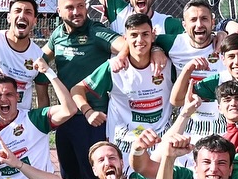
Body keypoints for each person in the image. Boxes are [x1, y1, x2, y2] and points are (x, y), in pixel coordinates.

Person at [43, 0, 123, 179]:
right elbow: (38, 62)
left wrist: (150, 51)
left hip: (93, 119)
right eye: (70, 7)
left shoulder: (96, 32)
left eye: (80, 6)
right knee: (69, 178)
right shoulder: (57, 35)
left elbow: (126, 45)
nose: (77, 11)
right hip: (66, 117)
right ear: (58, 11)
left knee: (94, 177)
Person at [74, 13, 176, 165]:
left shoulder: (167, 63)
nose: (140, 40)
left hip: (160, 140)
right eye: (134, 35)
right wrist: (88, 111)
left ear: (153, 35)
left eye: (145, 34)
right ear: (125, 38)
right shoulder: (114, 67)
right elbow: (77, 89)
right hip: (126, 143)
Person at [0, 68, 76, 179]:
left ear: (18, 97)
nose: (3, 99)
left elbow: (70, 109)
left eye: (9, 94)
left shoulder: (34, 119)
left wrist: (49, 72)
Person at [156, 0, 224, 138]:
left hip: (221, 124)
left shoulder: (226, 45)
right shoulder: (174, 43)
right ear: (184, 25)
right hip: (189, 125)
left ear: (213, 22)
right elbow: (144, 42)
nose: (199, 24)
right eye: (193, 20)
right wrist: (155, 50)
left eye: (204, 19)